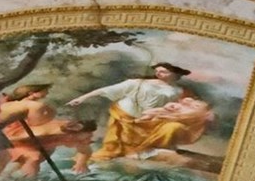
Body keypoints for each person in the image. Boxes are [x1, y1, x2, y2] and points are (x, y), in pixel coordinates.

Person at [67, 62, 215, 163]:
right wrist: (81, 98)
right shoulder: (138, 83)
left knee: (173, 127)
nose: (158, 73)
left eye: (163, 71)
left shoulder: (180, 91)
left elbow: (192, 107)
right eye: (157, 71)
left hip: (153, 121)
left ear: (175, 74)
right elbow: (107, 90)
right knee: (113, 148)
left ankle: (149, 150)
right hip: (125, 117)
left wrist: (206, 114)